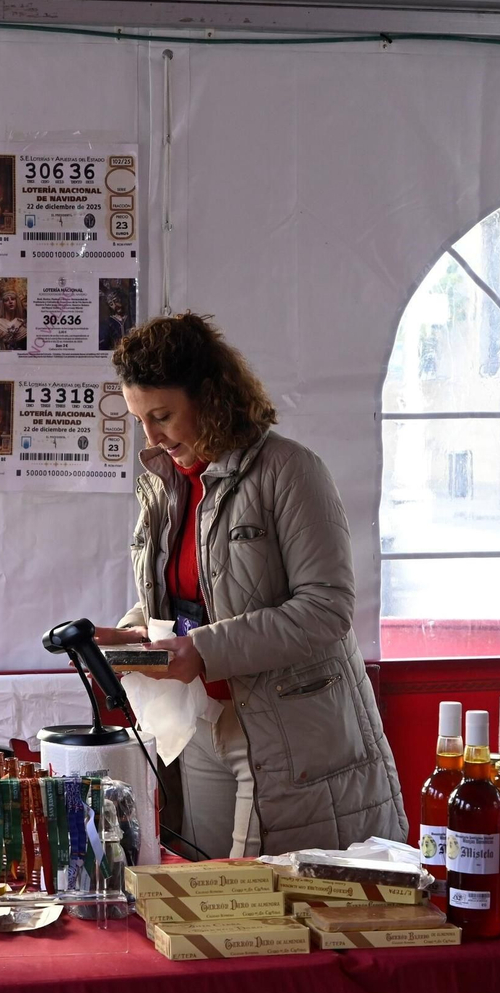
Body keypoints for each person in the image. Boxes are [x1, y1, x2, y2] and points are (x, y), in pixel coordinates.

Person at [93, 313, 406, 858]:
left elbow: (327, 608)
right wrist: (133, 632)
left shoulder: (292, 470)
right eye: (140, 419)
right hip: (198, 724)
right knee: (211, 892)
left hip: (290, 734)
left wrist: (202, 649)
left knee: (264, 900)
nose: (151, 437)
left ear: (211, 397)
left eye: (162, 416)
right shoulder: (164, 485)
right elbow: (189, 597)